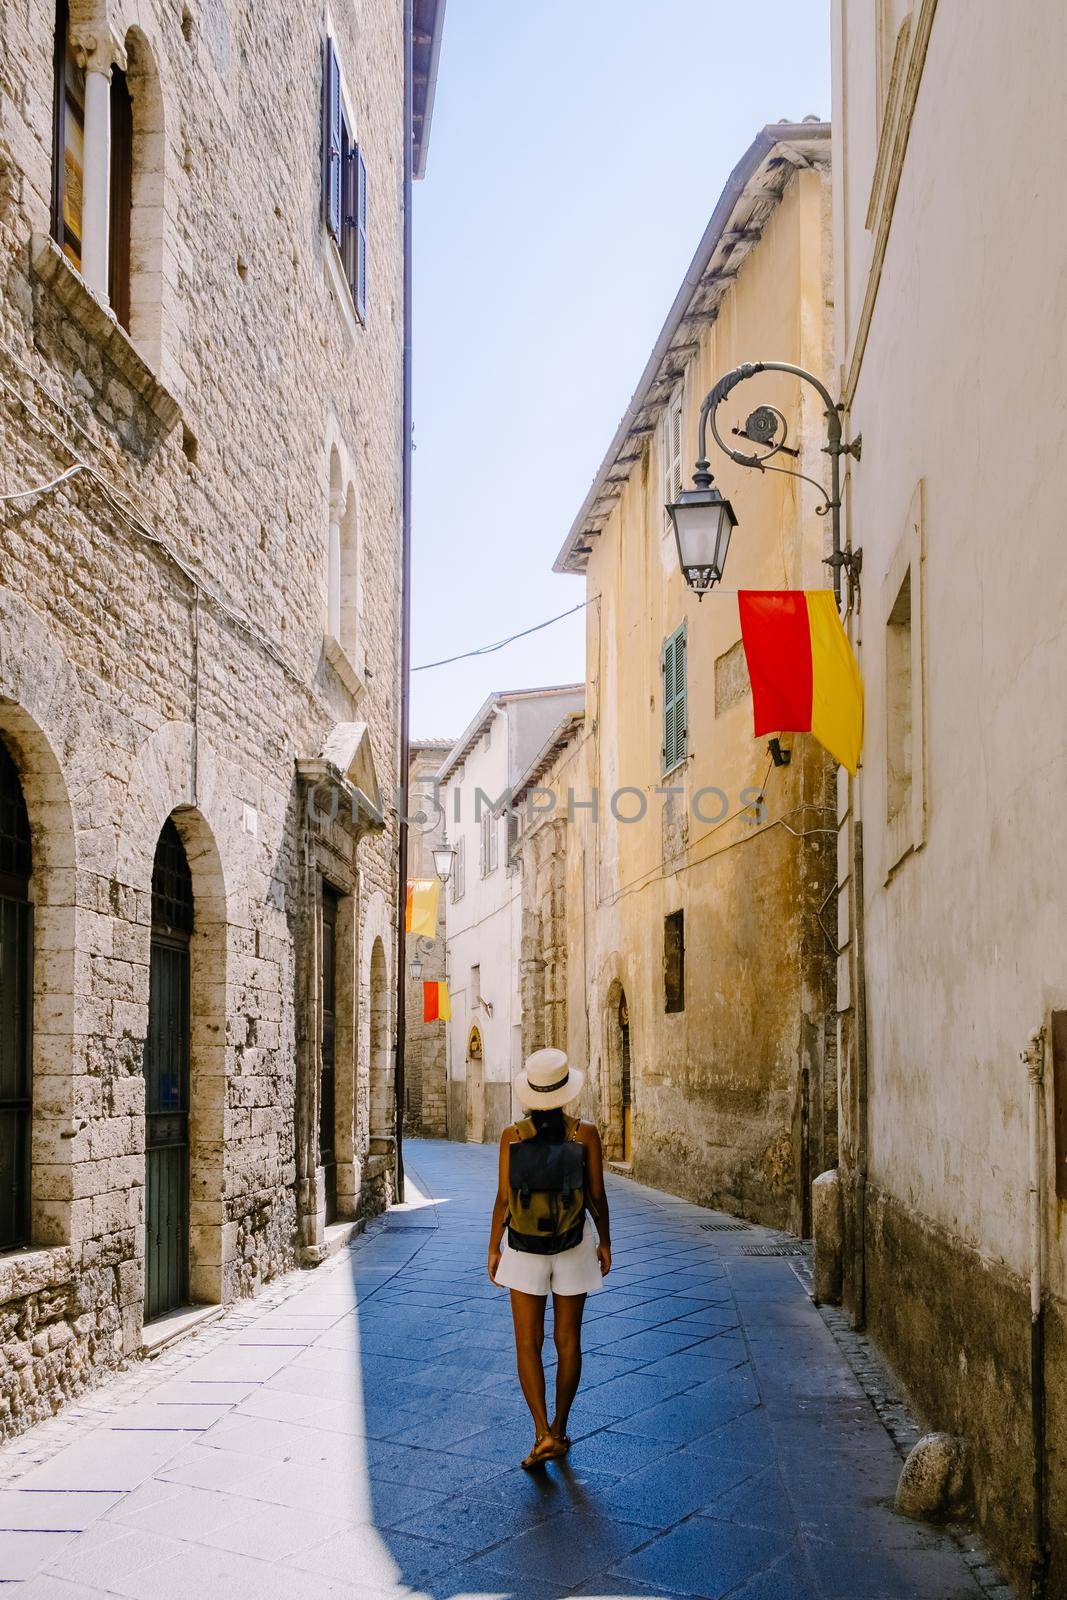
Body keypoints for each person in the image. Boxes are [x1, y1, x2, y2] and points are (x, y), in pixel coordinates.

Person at [487, 1048, 612, 1468]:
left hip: (523, 1247)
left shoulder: (512, 1136)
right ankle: (560, 1429)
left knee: (528, 1342)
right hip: (575, 1245)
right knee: (568, 1341)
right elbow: (597, 1197)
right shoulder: (585, 1135)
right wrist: (605, 1242)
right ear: (565, 1093)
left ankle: (540, 1433)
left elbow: (504, 1199)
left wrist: (492, 1248)